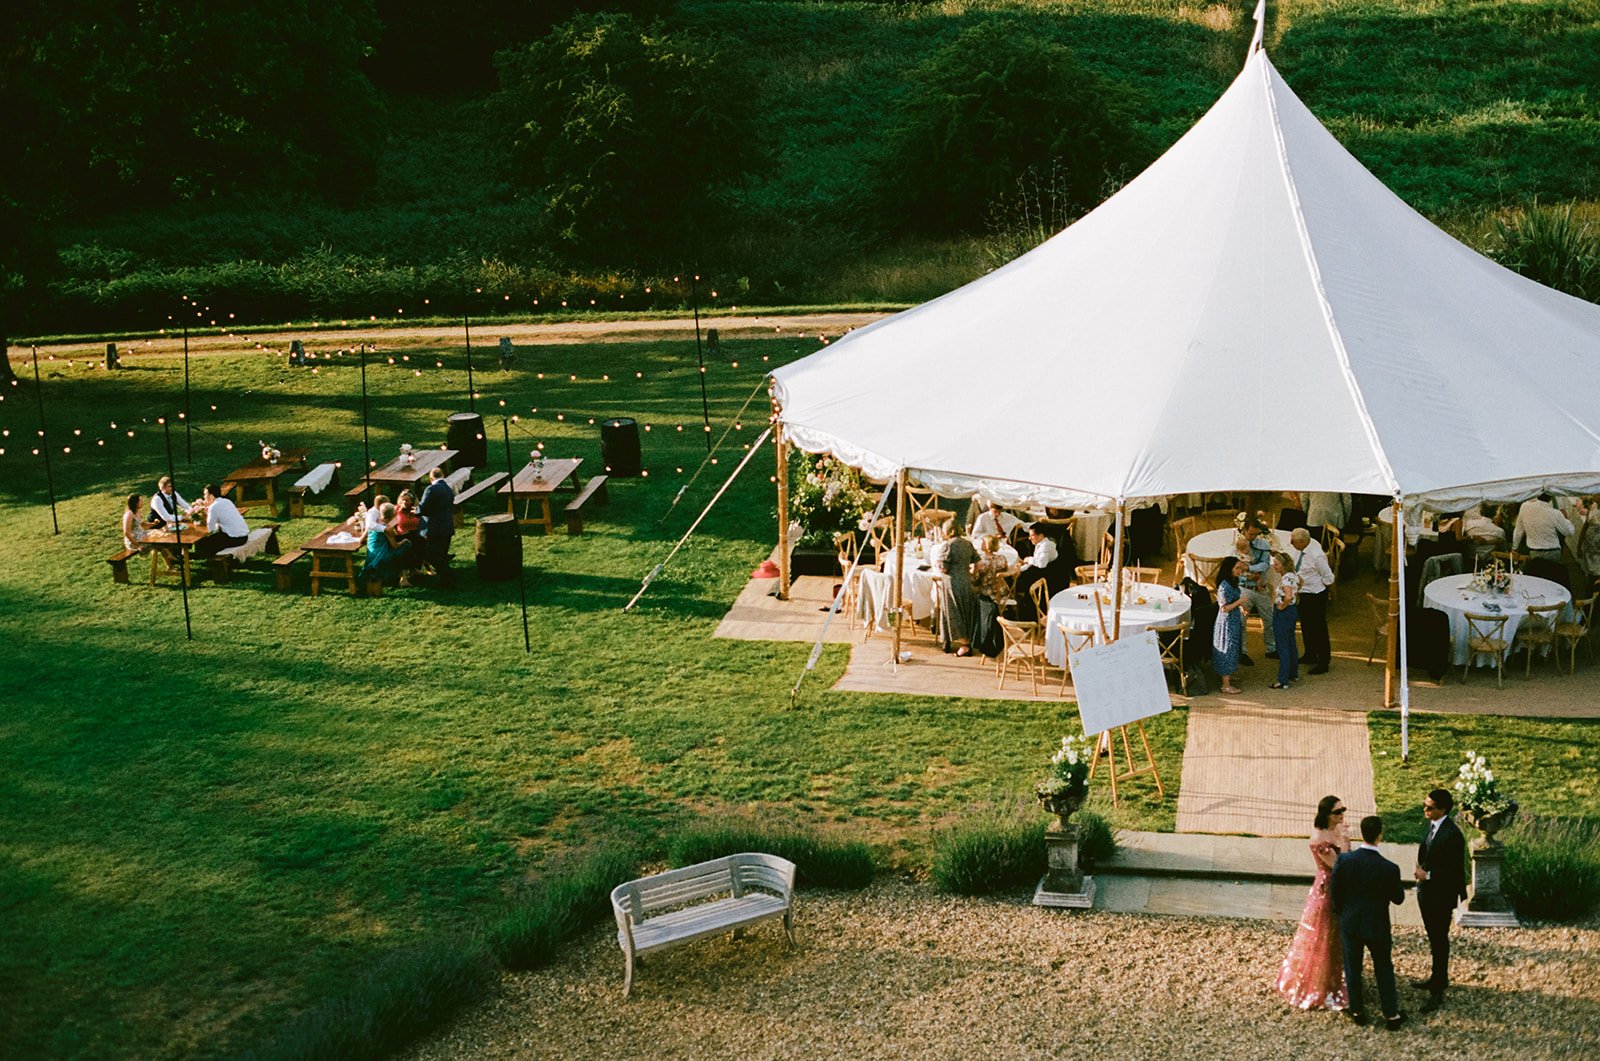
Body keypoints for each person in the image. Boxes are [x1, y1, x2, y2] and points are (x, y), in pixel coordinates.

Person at [1330, 815, 1407, 1031]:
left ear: (1361, 833)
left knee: (1352, 967)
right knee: (1383, 967)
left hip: (1351, 922)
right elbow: (1398, 898)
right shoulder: (1389, 868)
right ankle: (1391, 1014)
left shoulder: (1345, 861)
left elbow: (1335, 891)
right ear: (1379, 835)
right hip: (1377, 925)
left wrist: (1341, 912)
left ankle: (1357, 1011)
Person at [1276, 795, 1351, 1011]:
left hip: (1338, 885)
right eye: (1337, 812)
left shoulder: (1337, 829)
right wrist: (1345, 842)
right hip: (1328, 888)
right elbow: (1338, 866)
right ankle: (1320, 982)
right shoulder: (1321, 840)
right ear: (1327, 814)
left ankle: (1336, 975)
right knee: (1324, 932)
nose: (1342, 814)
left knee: (1336, 933)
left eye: (1342, 809)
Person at [1413, 787, 1468, 1013]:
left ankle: (1439, 986)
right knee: (1433, 937)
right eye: (1425, 806)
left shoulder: (1452, 835)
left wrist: (1429, 875)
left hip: (1441, 895)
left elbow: (1454, 870)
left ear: (1442, 809)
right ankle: (1436, 977)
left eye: (1430, 807)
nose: (1425, 810)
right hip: (1428, 892)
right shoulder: (1435, 826)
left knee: (1439, 940)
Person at [1288, 527, 1334, 674]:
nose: (1291, 544)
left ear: (1302, 542)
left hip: (1315, 593)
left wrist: (1330, 593)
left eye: (1293, 542)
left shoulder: (1316, 555)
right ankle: (1310, 654)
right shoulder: (1306, 546)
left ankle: (1323, 661)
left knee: (1319, 628)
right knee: (1306, 625)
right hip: (1304, 592)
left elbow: (1328, 576)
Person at [933, 519, 978, 656]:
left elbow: (943, 569)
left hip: (952, 584)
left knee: (952, 613)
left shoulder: (947, 546)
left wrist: (937, 565)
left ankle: (964, 645)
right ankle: (954, 641)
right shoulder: (967, 543)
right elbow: (977, 562)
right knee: (965, 612)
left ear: (949, 531)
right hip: (966, 581)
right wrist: (971, 573)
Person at [1237, 518, 1277, 660]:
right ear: (1244, 531)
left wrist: (1250, 568)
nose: (1253, 537)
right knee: (1241, 622)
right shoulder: (1238, 545)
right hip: (1244, 588)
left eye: (1256, 534)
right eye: (1250, 534)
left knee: (1269, 619)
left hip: (1261, 589)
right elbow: (1236, 567)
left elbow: (1265, 564)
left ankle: (1271, 648)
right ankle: (1242, 652)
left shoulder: (1263, 544)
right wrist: (1249, 572)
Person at [967, 534, 1010, 657]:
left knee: (971, 594)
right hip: (1003, 593)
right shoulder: (1002, 558)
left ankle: (976, 637)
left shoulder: (982, 563)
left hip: (989, 596)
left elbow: (975, 581)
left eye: (982, 542)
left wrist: (972, 570)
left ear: (986, 546)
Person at [1213, 556, 1246, 694]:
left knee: (1233, 646)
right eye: (1237, 568)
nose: (1240, 570)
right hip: (1226, 621)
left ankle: (1229, 675)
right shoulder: (1224, 586)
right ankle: (1225, 685)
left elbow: (1235, 599)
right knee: (1227, 647)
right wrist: (1240, 602)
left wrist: (1241, 607)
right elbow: (1223, 608)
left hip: (1234, 618)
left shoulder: (1233, 581)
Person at [418, 466, 456, 585]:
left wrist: (417, 511)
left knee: (431, 553)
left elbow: (423, 507)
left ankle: (447, 573)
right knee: (443, 553)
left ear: (430, 478)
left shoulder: (430, 489)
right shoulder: (448, 488)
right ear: (443, 475)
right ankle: (446, 579)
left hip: (435, 527)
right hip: (447, 525)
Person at [360, 502, 414, 586]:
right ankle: (404, 578)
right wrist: (404, 541)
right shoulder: (387, 529)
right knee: (406, 546)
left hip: (372, 554)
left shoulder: (373, 524)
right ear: (393, 515)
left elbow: (362, 538)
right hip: (382, 555)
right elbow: (395, 546)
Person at [1268, 552, 1300, 689]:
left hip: (1284, 612)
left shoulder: (1286, 579)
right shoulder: (1294, 575)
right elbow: (1300, 585)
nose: (1274, 566)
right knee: (1290, 641)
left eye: (1276, 564)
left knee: (1282, 645)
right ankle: (1293, 673)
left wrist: (1282, 605)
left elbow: (1287, 596)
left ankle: (1283, 679)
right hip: (1292, 611)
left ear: (1283, 565)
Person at [1512, 493, 1574, 563]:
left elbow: (1519, 530)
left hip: (1534, 552)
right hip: (1552, 553)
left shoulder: (1524, 507)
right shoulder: (1554, 513)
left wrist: (1515, 548)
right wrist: (1566, 519)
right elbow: (1569, 532)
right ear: (1551, 497)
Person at [1014, 525, 1057, 622]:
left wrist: (1028, 559)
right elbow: (1035, 562)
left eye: (1032, 535)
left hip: (1047, 575)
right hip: (1040, 571)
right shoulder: (1040, 544)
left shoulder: (1045, 546)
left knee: (1017, 583)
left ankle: (1025, 615)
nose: (1029, 538)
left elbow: (1041, 564)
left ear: (1041, 535)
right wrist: (1021, 569)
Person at [193, 483, 249, 558]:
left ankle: (197, 557)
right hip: (244, 536)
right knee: (212, 540)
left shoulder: (213, 507)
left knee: (201, 543)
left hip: (235, 538)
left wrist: (202, 520)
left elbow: (210, 529)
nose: (204, 497)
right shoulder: (226, 501)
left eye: (205, 494)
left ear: (211, 495)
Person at [1574, 496, 1600, 583]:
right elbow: (1585, 526)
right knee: (1590, 571)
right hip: (1589, 546)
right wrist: (1579, 545)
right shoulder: (1594, 506)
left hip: (1598, 548)